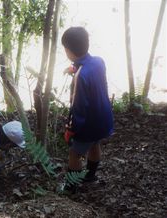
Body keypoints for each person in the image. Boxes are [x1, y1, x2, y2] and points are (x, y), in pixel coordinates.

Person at [61, 27, 113, 193]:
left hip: (88, 122)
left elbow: (79, 107)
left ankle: (70, 187)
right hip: (103, 117)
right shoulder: (99, 61)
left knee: (74, 153)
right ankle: (90, 176)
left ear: (68, 50)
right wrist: (76, 68)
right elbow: (91, 74)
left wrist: (72, 130)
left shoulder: (80, 76)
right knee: (95, 144)